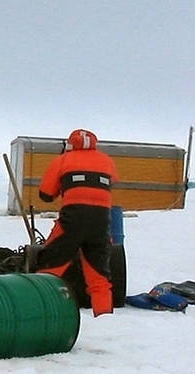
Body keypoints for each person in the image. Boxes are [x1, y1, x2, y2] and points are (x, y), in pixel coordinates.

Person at [35, 128, 119, 316]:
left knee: (49, 269)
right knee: (100, 277)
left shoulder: (63, 160)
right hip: (101, 222)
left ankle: (39, 313)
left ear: (69, 145)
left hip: (72, 220)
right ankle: (105, 319)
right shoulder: (107, 161)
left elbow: (46, 195)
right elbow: (112, 181)